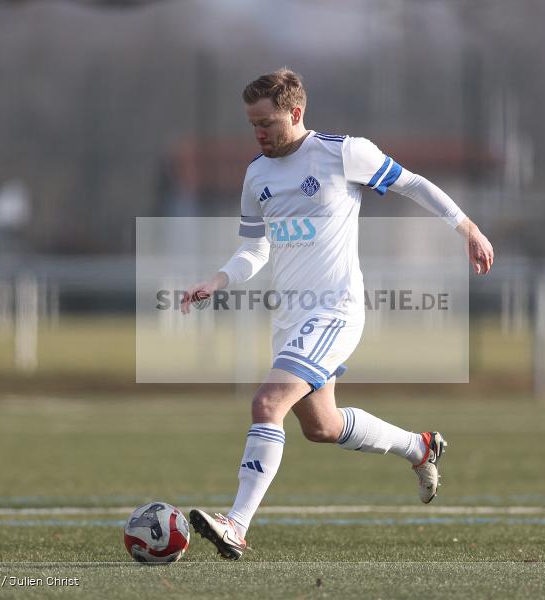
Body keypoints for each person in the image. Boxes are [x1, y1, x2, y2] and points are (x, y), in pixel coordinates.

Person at [181, 68, 494, 560]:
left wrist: (468, 228)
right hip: (289, 318)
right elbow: (253, 250)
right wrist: (216, 281)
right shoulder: (256, 175)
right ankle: (420, 448)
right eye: (251, 124)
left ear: (295, 113)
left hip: (335, 311)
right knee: (321, 427)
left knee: (267, 405)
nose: (258, 132)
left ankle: (236, 524)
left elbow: (413, 184)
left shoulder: (342, 152)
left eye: (267, 122)